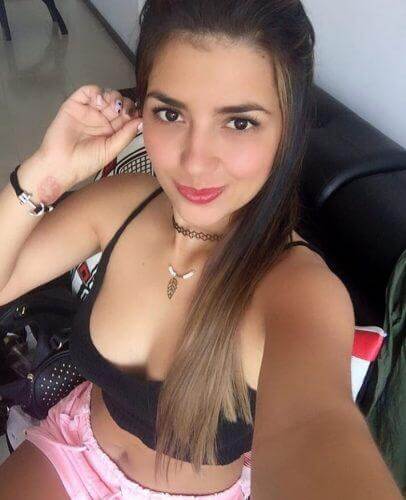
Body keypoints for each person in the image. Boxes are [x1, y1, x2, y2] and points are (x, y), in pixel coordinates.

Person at [0, 0, 402, 498]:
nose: (195, 161)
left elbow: (314, 429)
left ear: (288, 128)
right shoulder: (123, 204)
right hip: (72, 446)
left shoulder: (298, 290)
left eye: (239, 123)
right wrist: (44, 174)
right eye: (170, 113)